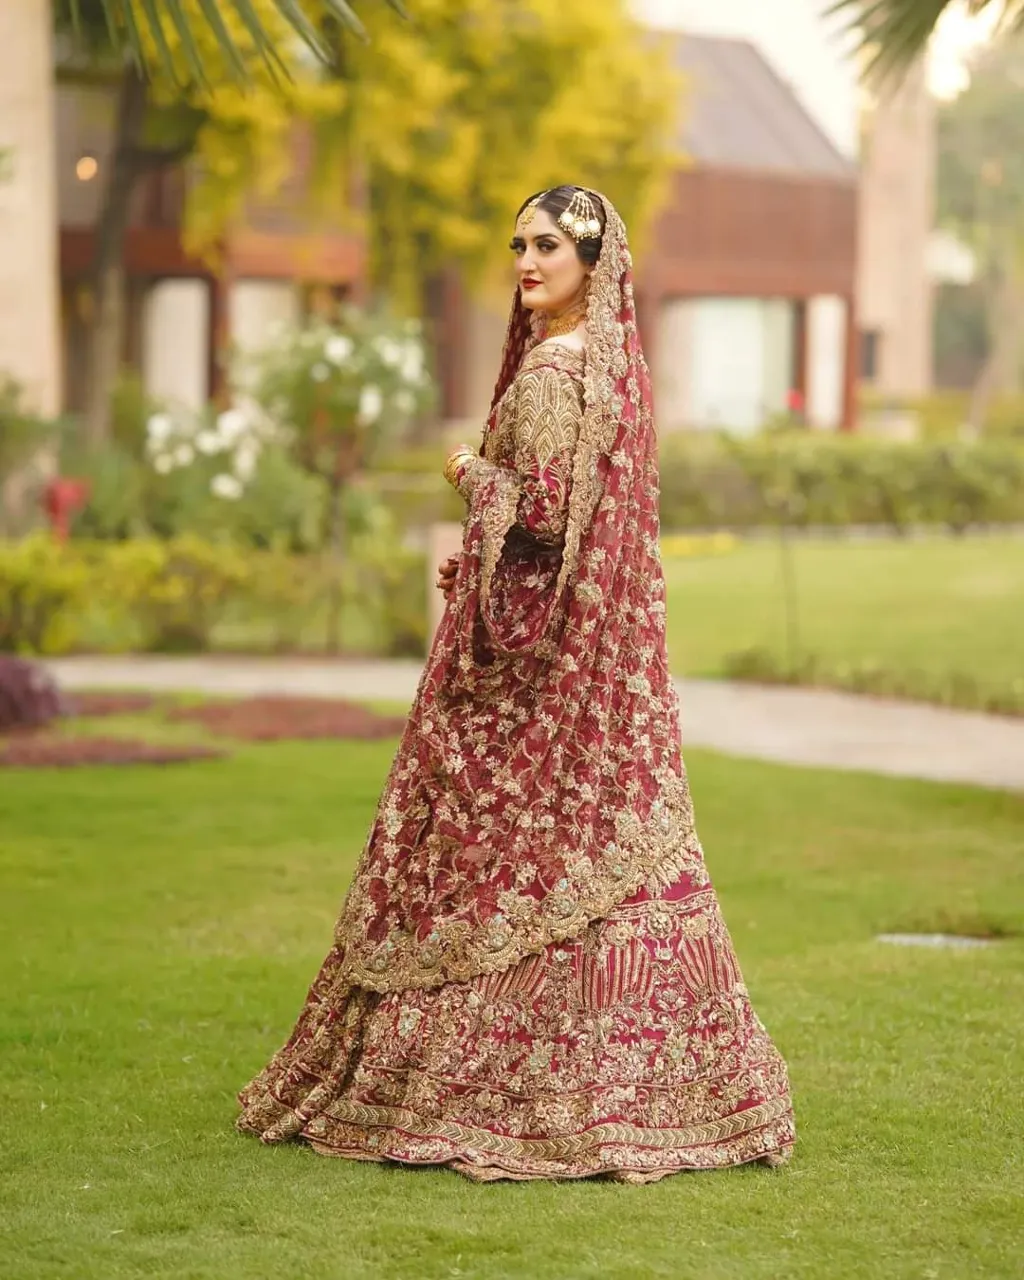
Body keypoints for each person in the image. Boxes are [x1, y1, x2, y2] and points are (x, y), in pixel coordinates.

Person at [237, 187, 795, 1182]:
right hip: (598, 668)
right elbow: (587, 528)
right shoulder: (615, 373)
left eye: (545, 245)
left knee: (477, 853)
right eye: (517, 244)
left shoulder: (547, 373)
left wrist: (466, 471)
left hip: (523, 669)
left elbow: (537, 518)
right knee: (601, 844)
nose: (524, 262)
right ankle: (675, 1088)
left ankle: (453, 1084)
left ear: (590, 257)